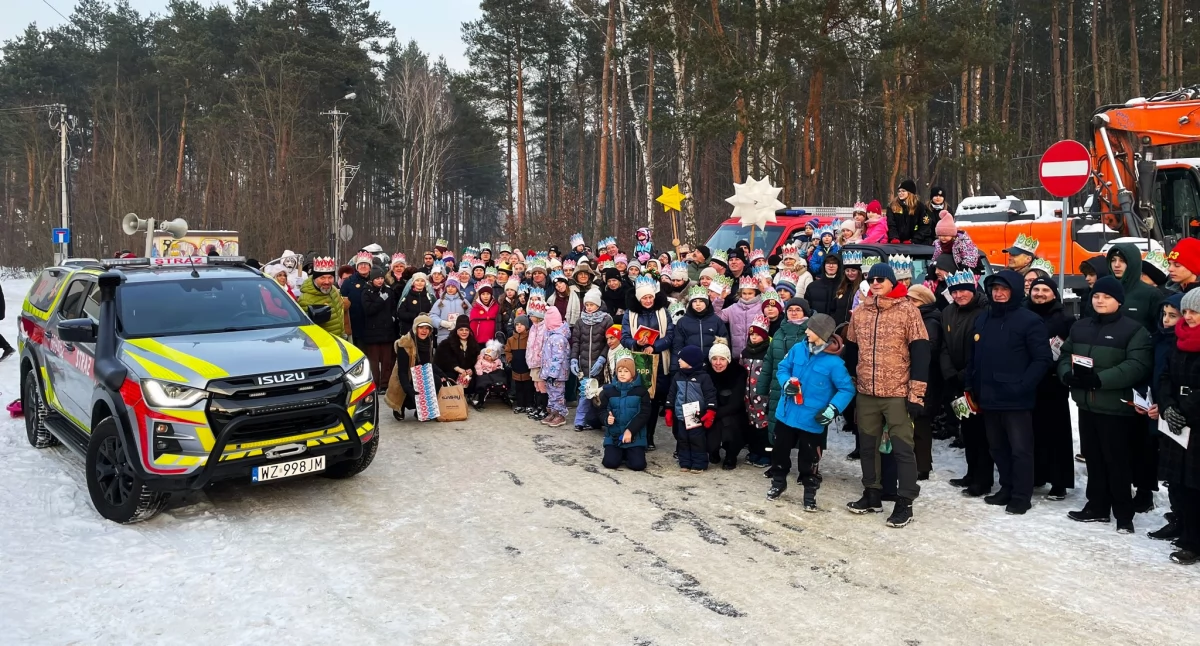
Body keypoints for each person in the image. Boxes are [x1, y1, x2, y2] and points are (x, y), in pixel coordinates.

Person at [1057, 276, 1152, 534]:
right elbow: (1065, 354)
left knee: (1117, 461)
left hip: (1116, 408)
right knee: (1094, 459)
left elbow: (1137, 366)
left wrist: (1100, 380)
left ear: (1118, 301)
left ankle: (1124, 514)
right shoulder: (1081, 326)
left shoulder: (1134, 330)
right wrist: (1067, 374)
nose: (1100, 300)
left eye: (1107, 297)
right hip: (1087, 405)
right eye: (1097, 296)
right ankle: (1096, 506)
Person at [843, 261, 929, 528]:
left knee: (903, 448)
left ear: (893, 282)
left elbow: (921, 352)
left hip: (897, 391)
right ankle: (872, 493)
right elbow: (851, 349)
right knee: (868, 446)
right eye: (872, 279)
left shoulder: (908, 310)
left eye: (882, 278)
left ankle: (905, 502)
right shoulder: (860, 312)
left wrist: (916, 393)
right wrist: (853, 382)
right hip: (867, 391)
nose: (876, 282)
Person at [964, 270, 1052, 515]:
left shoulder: (1029, 320)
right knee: (997, 447)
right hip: (987, 395)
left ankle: (1021, 495)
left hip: (1016, 399)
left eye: (1004, 289)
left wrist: (1023, 385)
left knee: (1020, 449)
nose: (999, 294)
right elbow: (974, 355)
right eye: (995, 289)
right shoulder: (983, 318)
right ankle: (1006, 487)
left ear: (1013, 291)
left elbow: (1042, 359)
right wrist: (970, 384)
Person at [768, 313, 855, 509]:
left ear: (821, 333)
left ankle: (809, 493)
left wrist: (832, 409)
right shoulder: (798, 349)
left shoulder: (834, 363)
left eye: (810, 329)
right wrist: (786, 383)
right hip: (786, 413)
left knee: (809, 459)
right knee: (779, 452)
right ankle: (778, 483)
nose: (806, 331)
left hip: (812, 419)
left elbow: (847, 389)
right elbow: (783, 369)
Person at [1108, 242, 1165, 512]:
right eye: (1113, 260)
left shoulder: (1149, 295)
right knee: (1117, 438)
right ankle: (1118, 486)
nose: (1117, 264)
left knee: (1143, 440)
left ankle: (1144, 491)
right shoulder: (1104, 291)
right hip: (1110, 376)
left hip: (1141, 378)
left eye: (1122, 260)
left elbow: (1161, 332)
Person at [1155, 289, 1200, 564]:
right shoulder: (1179, 340)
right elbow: (1165, 376)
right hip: (1178, 424)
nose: (1187, 316)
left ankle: (1194, 542)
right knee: (1180, 483)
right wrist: (1168, 406)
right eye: (1185, 311)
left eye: (1194, 311)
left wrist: (1185, 409)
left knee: (1197, 485)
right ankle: (1186, 533)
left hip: (1195, 422)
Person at [940, 270, 992, 494]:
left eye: (963, 290)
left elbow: (983, 350)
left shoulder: (985, 311)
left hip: (976, 380)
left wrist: (965, 374)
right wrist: (949, 372)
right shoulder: (948, 312)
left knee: (981, 433)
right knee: (967, 430)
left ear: (973, 289)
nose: (959, 295)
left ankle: (983, 478)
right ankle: (971, 472)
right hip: (955, 381)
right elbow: (943, 346)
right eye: (955, 291)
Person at [1026, 277, 1076, 501]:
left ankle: (1059, 482)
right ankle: (1037, 474)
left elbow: (1070, 349)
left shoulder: (1064, 317)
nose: (1039, 293)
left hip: (1053, 383)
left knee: (1057, 433)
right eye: (1036, 289)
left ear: (1054, 293)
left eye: (1045, 289)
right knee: (1032, 432)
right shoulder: (1023, 312)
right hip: (1027, 382)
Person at [621, 276, 676, 450]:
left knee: (652, 401)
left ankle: (650, 436)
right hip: (637, 361)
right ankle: (636, 433)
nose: (648, 301)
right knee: (636, 399)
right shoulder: (629, 314)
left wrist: (655, 346)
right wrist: (636, 343)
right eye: (644, 297)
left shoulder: (662, 312)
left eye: (650, 297)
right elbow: (624, 337)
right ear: (638, 298)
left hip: (658, 362)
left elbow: (670, 335)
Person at [757, 297, 810, 466]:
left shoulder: (811, 332)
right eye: (790, 309)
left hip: (803, 389)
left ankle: (807, 468)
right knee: (777, 427)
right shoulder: (780, 332)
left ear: (805, 312)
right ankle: (778, 466)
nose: (793, 312)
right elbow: (769, 361)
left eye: (798, 309)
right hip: (778, 385)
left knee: (804, 429)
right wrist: (762, 387)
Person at [906, 285, 942, 481]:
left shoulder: (930, 322)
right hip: (920, 376)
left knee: (920, 421)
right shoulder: (918, 318)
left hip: (927, 378)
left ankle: (923, 466)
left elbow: (927, 350)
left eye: (915, 301)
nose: (910, 304)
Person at [665, 345, 718, 472]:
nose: (678, 361)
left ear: (690, 361)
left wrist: (711, 411)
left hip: (695, 414)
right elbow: (671, 394)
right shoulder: (678, 376)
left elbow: (710, 395)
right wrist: (668, 409)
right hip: (680, 414)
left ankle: (699, 464)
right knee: (682, 439)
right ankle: (685, 463)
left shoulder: (703, 378)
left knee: (697, 440)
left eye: (681, 359)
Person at [600, 349, 652, 471]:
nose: (622, 374)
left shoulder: (641, 392)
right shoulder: (609, 392)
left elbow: (644, 414)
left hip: (634, 436)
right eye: (619, 371)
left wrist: (630, 431)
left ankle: (629, 453)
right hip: (614, 436)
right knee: (610, 463)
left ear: (632, 373)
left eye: (626, 371)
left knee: (638, 465)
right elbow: (602, 410)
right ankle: (619, 453)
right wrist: (606, 419)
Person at [571, 288, 614, 431]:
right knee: (584, 393)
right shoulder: (580, 321)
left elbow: (609, 342)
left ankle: (601, 421)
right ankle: (579, 421)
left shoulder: (606, 320)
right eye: (587, 304)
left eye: (592, 304)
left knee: (599, 394)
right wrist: (573, 359)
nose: (588, 307)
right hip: (584, 363)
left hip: (600, 365)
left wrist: (602, 358)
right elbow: (576, 342)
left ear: (598, 304)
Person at [385, 314, 442, 421]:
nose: (424, 331)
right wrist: (409, 389)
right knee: (406, 389)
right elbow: (402, 372)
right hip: (406, 377)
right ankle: (399, 406)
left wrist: (443, 375)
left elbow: (429, 363)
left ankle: (420, 409)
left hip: (420, 376)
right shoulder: (405, 344)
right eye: (421, 327)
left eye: (427, 328)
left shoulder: (428, 342)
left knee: (437, 380)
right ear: (415, 328)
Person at [707, 339, 748, 469]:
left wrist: (716, 413)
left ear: (728, 360)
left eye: (722, 359)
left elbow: (736, 402)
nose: (718, 363)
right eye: (714, 359)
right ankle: (712, 450)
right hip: (711, 410)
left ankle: (731, 455)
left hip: (732, 411)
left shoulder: (738, 373)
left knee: (730, 423)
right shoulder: (705, 373)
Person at [741, 315, 773, 466]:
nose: (754, 338)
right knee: (751, 426)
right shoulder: (745, 352)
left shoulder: (768, 353)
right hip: (748, 397)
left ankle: (766, 454)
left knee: (763, 427)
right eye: (752, 335)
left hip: (763, 397)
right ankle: (754, 451)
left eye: (758, 335)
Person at [673, 285, 728, 370]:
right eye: (695, 301)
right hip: (690, 366)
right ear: (691, 304)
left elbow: (724, 342)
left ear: (706, 303)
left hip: (712, 366)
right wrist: (675, 368)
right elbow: (678, 346)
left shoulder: (716, 321)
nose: (698, 304)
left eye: (701, 301)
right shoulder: (682, 322)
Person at [359, 267, 397, 391]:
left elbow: (393, 307)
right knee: (374, 361)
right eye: (377, 279)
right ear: (372, 279)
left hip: (387, 330)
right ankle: (375, 383)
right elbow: (368, 309)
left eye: (381, 278)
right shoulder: (366, 291)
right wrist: (380, 300)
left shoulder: (389, 291)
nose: (380, 281)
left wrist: (392, 317)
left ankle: (385, 384)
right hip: (372, 331)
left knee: (387, 360)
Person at [713, 276, 763, 360]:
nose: (747, 296)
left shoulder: (761, 307)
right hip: (737, 354)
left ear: (756, 293)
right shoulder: (733, 308)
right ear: (740, 294)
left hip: (756, 353)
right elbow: (717, 316)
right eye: (744, 293)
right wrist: (720, 299)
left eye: (750, 293)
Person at [435, 315, 482, 400]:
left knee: (476, 376)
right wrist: (457, 368)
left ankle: (471, 396)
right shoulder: (446, 343)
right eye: (461, 330)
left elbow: (475, 360)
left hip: (466, 373)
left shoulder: (473, 344)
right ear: (456, 331)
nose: (464, 332)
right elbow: (442, 361)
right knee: (450, 376)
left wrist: (471, 369)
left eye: (466, 330)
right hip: (452, 371)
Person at [538, 306, 571, 428]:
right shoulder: (551, 336)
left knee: (558, 394)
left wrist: (552, 374)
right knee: (551, 393)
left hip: (557, 374)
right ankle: (553, 412)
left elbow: (558, 358)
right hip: (550, 373)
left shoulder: (558, 338)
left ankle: (560, 414)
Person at [297, 257, 346, 339]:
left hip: (338, 340)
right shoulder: (305, 299)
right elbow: (305, 330)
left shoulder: (333, 290)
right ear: (315, 278)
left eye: (330, 277)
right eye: (322, 278)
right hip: (322, 344)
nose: (327, 281)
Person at [341, 252, 375, 347]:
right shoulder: (349, 282)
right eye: (360, 264)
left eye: (365, 264)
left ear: (370, 266)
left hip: (372, 325)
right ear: (356, 266)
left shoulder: (376, 279)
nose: (363, 266)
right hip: (355, 324)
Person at [887, 179, 933, 244]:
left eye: (903, 191)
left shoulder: (919, 206)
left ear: (910, 192)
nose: (900, 193)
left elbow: (925, 226)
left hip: (914, 244)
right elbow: (891, 224)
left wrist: (914, 240)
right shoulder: (892, 206)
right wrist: (894, 237)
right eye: (899, 191)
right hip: (896, 243)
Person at [505, 315, 535, 415]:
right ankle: (520, 405)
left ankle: (529, 404)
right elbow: (507, 351)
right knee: (518, 388)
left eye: (521, 324)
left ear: (526, 326)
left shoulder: (530, 338)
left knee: (528, 387)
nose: (518, 326)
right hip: (516, 367)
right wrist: (510, 359)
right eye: (517, 324)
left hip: (526, 367)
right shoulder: (511, 340)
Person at [430, 276, 470, 343]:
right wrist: (442, 323)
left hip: (461, 336)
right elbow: (432, 316)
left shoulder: (464, 301)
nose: (450, 289)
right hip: (443, 336)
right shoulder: (440, 302)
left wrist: (460, 323)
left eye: (453, 287)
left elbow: (470, 314)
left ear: (457, 288)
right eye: (448, 287)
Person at [472, 340, 507, 410]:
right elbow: (477, 366)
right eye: (486, 355)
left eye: (489, 356)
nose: (487, 357)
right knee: (483, 381)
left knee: (501, 373)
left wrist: (499, 368)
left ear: (494, 357)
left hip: (493, 374)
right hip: (483, 373)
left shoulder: (497, 361)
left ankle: (502, 388)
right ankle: (480, 398)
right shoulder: (481, 360)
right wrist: (480, 373)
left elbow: (500, 366)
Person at [395, 272, 433, 337]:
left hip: (425, 332)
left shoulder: (429, 297)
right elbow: (401, 313)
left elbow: (434, 312)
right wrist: (417, 316)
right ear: (413, 283)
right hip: (409, 331)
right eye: (417, 280)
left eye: (422, 281)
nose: (420, 283)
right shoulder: (407, 297)